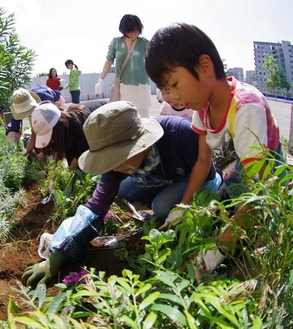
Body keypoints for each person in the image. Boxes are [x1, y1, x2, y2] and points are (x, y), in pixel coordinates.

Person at [21, 101, 221, 288]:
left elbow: (205, 169)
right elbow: (95, 207)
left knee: (162, 206)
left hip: (198, 178)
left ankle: (174, 197)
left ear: (139, 143)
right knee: (125, 189)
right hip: (163, 176)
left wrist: (183, 206)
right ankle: (168, 192)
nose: (116, 167)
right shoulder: (116, 165)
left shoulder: (179, 133)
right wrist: (58, 253)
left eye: (121, 159)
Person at [144, 22, 286, 271]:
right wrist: (184, 208)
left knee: (261, 256)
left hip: (268, 196)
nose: (174, 97)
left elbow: (258, 191)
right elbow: (202, 161)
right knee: (203, 217)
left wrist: (219, 248)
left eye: (175, 84)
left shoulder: (245, 108)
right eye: (167, 89)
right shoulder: (202, 108)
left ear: (205, 66)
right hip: (235, 188)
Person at [94, 14, 151, 118]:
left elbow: (153, 62)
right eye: (130, 31)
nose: (134, 33)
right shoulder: (116, 42)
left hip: (141, 87)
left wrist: (161, 83)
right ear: (124, 30)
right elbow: (108, 61)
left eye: (136, 30)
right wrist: (100, 80)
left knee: (144, 119)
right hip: (123, 87)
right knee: (125, 120)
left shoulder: (145, 43)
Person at [31, 99, 107, 168]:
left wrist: (69, 171)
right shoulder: (64, 126)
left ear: (57, 129)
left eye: (51, 137)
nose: (51, 141)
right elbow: (59, 149)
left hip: (107, 123)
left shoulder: (79, 124)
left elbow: (81, 153)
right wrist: (53, 171)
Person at [6, 86, 65, 156]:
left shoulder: (45, 101)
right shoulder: (20, 99)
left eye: (28, 111)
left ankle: (55, 155)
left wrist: (30, 148)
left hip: (57, 104)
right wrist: (10, 149)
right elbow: (14, 127)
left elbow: (41, 128)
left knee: (54, 133)